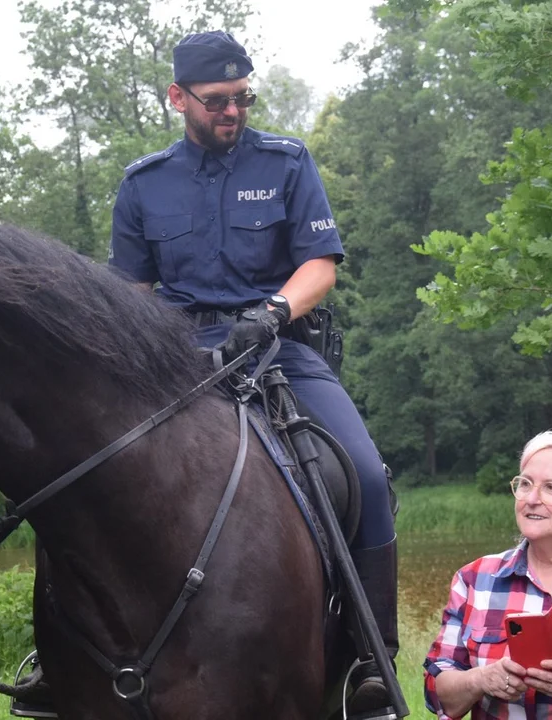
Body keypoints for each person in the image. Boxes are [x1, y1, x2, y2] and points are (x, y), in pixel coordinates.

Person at [109, 30, 399, 716]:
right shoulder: (143, 183)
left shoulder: (287, 163)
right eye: (216, 101)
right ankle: (60, 650)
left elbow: (320, 265)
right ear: (178, 98)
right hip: (172, 354)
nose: (231, 112)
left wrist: (270, 312)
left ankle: (371, 657)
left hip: (276, 345)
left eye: (242, 98)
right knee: (91, 464)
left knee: (365, 473)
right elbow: (129, 292)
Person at [424, 428, 552, 720]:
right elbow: (438, 693)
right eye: (525, 484)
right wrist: (480, 680)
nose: (532, 499)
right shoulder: (475, 579)